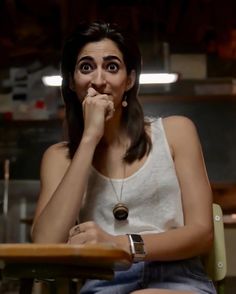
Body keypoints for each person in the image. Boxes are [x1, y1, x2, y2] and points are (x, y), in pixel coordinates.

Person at [31, 21, 216, 294]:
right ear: (71, 82)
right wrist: (89, 138)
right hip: (104, 283)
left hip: (179, 279)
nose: (98, 80)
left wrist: (123, 245)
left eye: (112, 66)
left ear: (129, 80)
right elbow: (44, 245)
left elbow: (202, 234)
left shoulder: (176, 132)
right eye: (86, 67)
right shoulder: (59, 158)